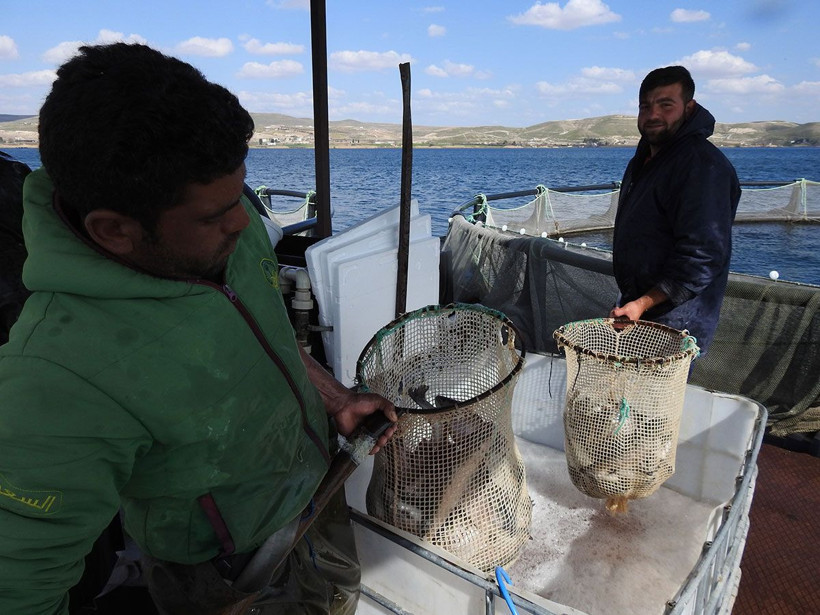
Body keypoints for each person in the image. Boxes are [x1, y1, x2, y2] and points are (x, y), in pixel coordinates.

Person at [0, 42, 396, 615]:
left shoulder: (227, 225)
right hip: (226, 574)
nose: (246, 222)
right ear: (114, 230)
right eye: (214, 215)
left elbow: (263, 329)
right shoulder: (55, 380)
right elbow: (20, 589)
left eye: (242, 194)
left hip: (314, 495)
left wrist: (333, 398)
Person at [610, 65, 741, 354]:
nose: (653, 114)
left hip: (677, 321)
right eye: (645, 106)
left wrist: (643, 302)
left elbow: (703, 255)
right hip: (638, 309)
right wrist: (631, 299)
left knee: (653, 399)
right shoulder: (643, 160)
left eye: (666, 105)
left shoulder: (702, 166)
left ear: (689, 108)